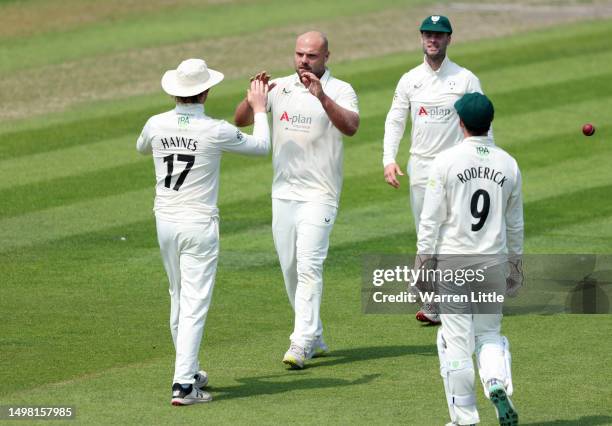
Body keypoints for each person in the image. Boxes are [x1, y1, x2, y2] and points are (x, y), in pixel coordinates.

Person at [136, 58, 271, 405]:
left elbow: (142, 145)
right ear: (206, 91)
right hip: (198, 223)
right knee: (194, 302)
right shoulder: (215, 129)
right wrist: (260, 109)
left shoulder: (155, 123)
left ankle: (190, 369)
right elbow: (262, 147)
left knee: (178, 296)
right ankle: (183, 384)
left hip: (165, 221)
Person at [234, 31, 360, 369]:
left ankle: (301, 342)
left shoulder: (340, 89)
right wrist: (253, 98)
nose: (304, 61)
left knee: (308, 265)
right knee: (290, 268)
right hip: (283, 193)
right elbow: (241, 120)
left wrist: (322, 98)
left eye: (311, 56)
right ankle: (314, 333)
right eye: (299, 54)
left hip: (320, 194)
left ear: (326, 57)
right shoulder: (281, 87)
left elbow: (351, 127)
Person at [416, 92, 523, 426]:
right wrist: (516, 266)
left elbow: (430, 220)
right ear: (489, 122)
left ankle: (465, 419)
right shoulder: (508, 163)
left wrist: (422, 264)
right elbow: (514, 223)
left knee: (455, 343)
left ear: (460, 122)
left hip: (454, 265)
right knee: (489, 335)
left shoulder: (446, 161)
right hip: (492, 263)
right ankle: (495, 382)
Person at [382, 15, 489, 324]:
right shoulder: (409, 79)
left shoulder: (465, 78)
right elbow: (395, 120)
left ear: (449, 39)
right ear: (421, 38)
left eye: (439, 35)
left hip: (458, 167)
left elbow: (483, 121)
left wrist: (485, 158)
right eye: (428, 34)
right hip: (422, 168)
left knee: (458, 234)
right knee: (427, 233)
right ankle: (434, 303)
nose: (433, 39)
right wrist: (389, 159)